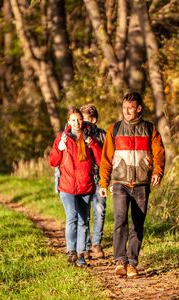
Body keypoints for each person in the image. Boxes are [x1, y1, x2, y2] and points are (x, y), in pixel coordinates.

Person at [99, 92, 165, 278]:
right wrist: (104, 182)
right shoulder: (115, 129)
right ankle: (120, 261)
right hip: (120, 182)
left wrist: (157, 172)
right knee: (120, 220)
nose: (126, 111)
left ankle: (132, 262)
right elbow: (106, 159)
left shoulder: (150, 129)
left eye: (130, 108)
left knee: (138, 224)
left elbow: (159, 153)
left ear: (139, 109)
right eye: (124, 107)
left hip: (142, 183)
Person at [48, 108, 102, 267]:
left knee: (83, 221)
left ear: (83, 121)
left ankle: (81, 256)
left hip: (85, 185)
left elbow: (100, 160)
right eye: (73, 120)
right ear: (68, 122)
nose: (76, 123)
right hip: (67, 186)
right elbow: (53, 161)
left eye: (79, 120)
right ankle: (70, 251)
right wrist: (60, 148)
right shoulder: (62, 138)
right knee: (72, 217)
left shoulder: (90, 138)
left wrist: (92, 144)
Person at [80, 104, 107, 259]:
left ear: (94, 119)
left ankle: (96, 243)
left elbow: (107, 157)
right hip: (84, 177)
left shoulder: (102, 135)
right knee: (85, 212)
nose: (83, 122)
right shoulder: (78, 134)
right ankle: (85, 244)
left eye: (86, 119)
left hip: (99, 178)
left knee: (100, 209)